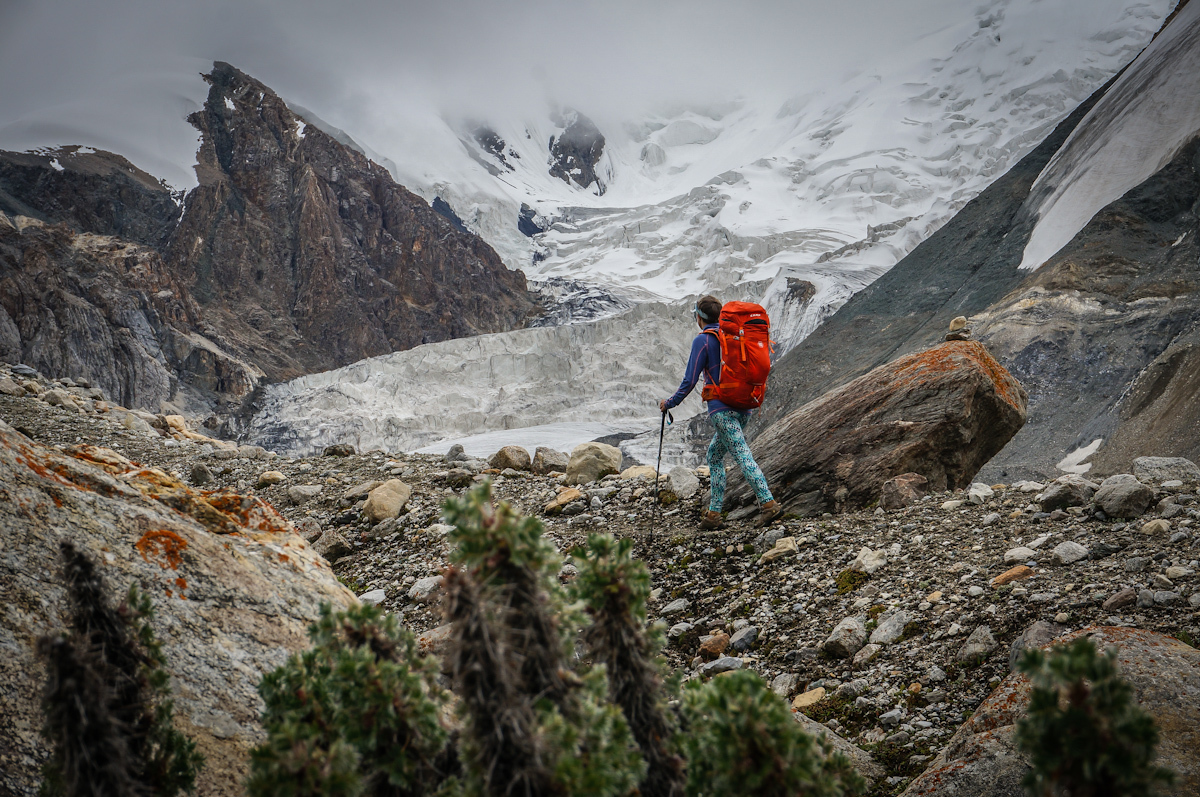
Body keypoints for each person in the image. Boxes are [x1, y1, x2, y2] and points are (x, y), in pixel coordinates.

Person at [660, 295, 781, 529]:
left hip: (722, 410)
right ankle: (714, 515)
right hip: (744, 407)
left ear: (699, 317)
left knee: (742, 454)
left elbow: (689, 380)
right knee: (714, 456)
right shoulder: (732, 336)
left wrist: (670, 403)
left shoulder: (703, 340)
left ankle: (768, 503)